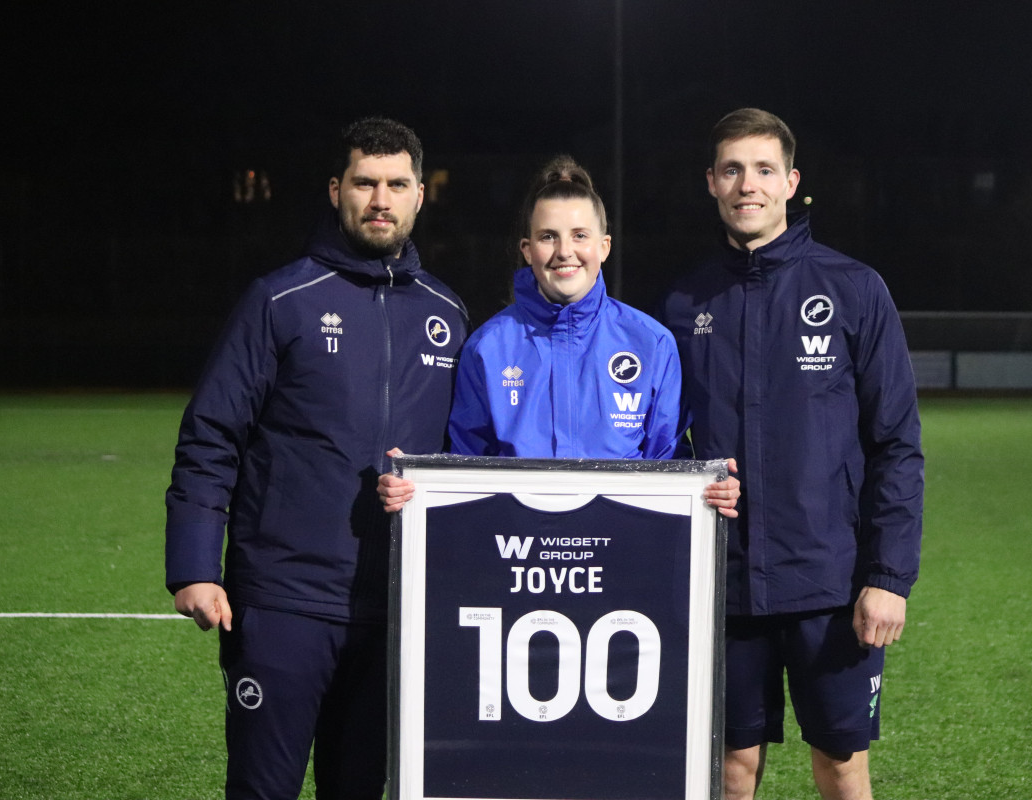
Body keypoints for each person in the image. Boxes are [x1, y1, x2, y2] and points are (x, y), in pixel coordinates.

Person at [165, 117, 468, 800]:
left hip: (394, 609)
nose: (380, 199)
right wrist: (192, 566)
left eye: (396, 184)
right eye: (365, 183)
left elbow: (468, 458)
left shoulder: (446, 313)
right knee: (262, 790)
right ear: (337, 191)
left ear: (421, 195)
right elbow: (211, 433)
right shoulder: (279, 300)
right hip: (282, 602)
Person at [661, 108, 924, 800]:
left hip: (831, 584)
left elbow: (896, 443)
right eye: (733, 170)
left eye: (764, 170)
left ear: (791, 182)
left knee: (840, 763)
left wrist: (889, 575)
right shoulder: (685, 302)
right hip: (727, 584)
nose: (748, 184)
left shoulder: (853, 289)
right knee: (729, 768)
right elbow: (660, 443)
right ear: (712, 183)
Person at [378, 156, 739, 515]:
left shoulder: (651, 343)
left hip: (620, 557)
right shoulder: (487, 348)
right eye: (548, 237)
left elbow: (672, 471)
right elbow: (461, 476)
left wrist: (712, 490)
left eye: (580, 236)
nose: (565, 252)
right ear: (528, 250)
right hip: (515, 557)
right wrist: (412, 486)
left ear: (604, 246)